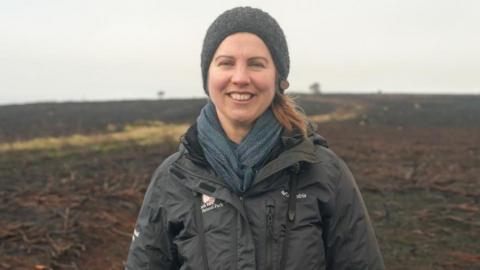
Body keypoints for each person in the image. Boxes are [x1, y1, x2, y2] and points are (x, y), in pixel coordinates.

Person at [125, 6, 384, 270]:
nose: (240, 78)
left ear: (278, 78)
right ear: (208, 76)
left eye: (256, 64)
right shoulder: (173, 178)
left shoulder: (324, 173)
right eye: (226, 63)